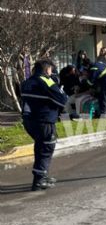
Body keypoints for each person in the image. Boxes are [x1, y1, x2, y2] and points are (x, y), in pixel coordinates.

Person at [20, 59, 68, 191]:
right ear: (47, 70)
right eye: (51, 70)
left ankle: (42, 175)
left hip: (29, 121)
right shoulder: (46, 81)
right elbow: (63, 100)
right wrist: (55, 84)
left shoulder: (26, 83)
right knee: (46, 148)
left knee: (40, 146)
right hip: (44, 121)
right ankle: (39, 179)